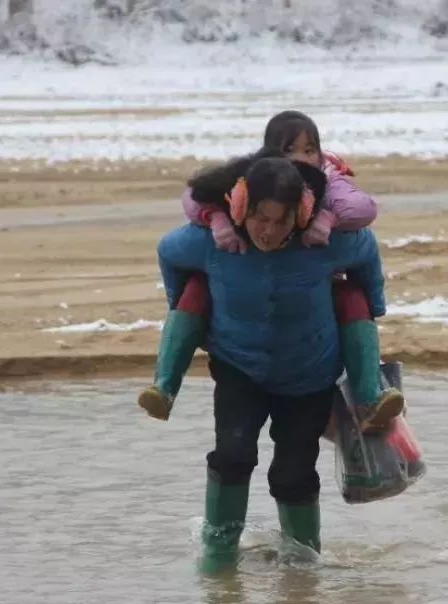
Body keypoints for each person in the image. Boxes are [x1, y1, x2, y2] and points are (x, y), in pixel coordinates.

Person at [155, 153, 386, 572]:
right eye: (261, 218)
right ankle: (219, 558)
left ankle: (303, 568)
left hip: (309, 375)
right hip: (239, 368)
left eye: (281, 221)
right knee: (232, 454)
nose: (269, 230)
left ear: (299, 215)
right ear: (241, 207)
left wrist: (374, 303)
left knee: (293, 474)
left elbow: (367, 250)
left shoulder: (324, 245)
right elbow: (167, 252)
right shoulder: (209, 241)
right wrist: (189, 309)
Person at [138, 110, 403, 432]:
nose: (300, 159)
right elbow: (191, 207)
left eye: (309, 150)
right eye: (288, 150)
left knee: (352, 296)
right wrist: (217, 221)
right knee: (197, 288)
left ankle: (369, 397)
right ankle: (164, 387)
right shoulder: (248, 182)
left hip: (314, 314)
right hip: (240, 334)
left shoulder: (330, 182)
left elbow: (364, 224)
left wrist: (327, 221)